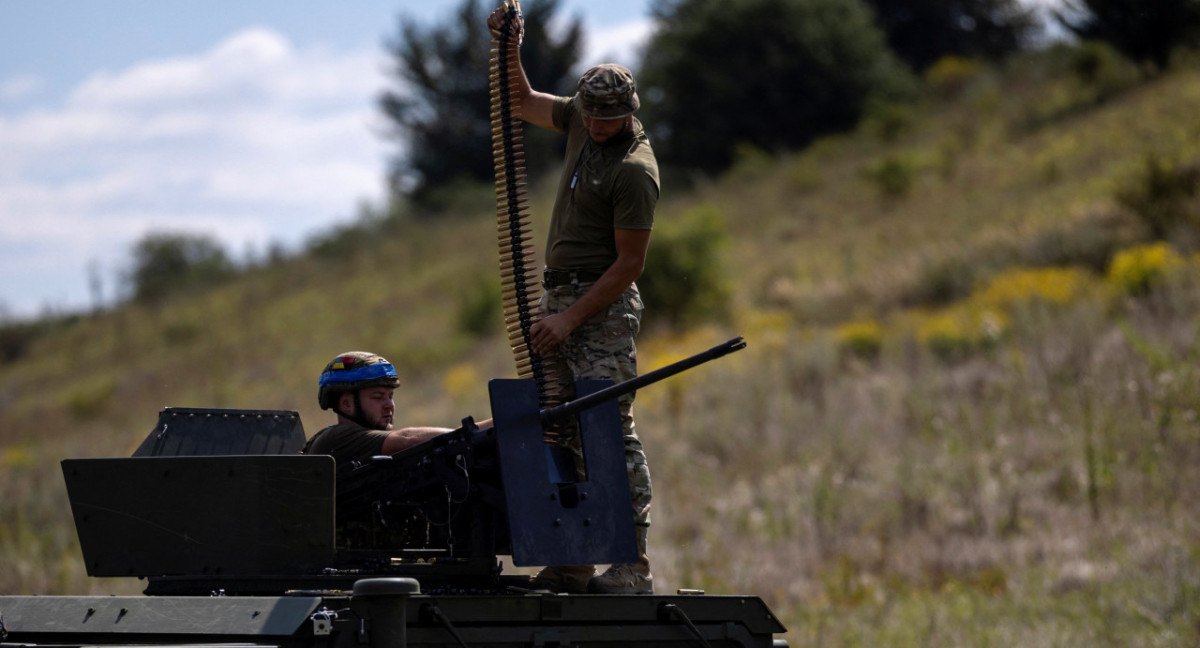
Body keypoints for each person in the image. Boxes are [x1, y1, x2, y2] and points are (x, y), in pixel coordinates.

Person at [487, 6, 660, 595]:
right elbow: (521, 100)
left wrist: (567, 319)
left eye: (610, 119)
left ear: (628, 112)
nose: (599, 126)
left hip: (600, 308)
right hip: (559, 297)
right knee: (558, 425)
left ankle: (631, 564)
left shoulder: (633, 170)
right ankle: (574, 555)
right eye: (591, 116)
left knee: (608, 428)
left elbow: (629, 265)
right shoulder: (583, 123)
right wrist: (510, 42)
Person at [302, 351, 462, 463]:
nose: (389, 405)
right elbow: (407, 439)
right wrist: (469, 433)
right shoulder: (337, 438)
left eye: (390, 396)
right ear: (346, 404)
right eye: (378, 397)